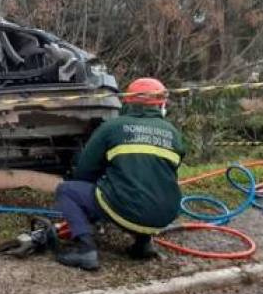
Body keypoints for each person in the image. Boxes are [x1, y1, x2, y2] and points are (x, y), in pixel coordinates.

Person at [54, 77, 185, 271]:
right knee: (148, 185)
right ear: (160, 105)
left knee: (66, 191)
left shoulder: (113, 127)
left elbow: (85, 170)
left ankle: (86, 250)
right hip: (164, 216)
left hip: (126, 209)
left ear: (127, 101)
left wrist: (96, 196)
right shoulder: (173, 133)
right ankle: (143, 244)